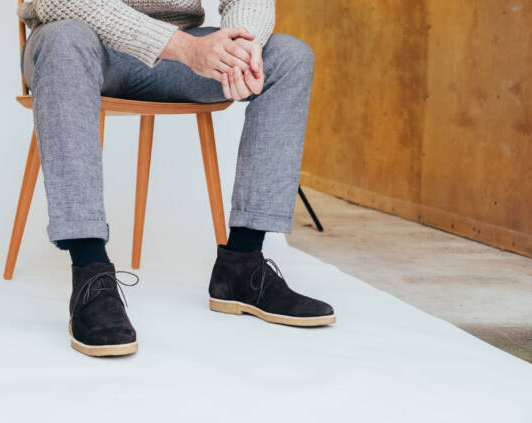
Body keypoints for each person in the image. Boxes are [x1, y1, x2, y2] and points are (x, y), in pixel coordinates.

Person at [17, 0, 335, 357]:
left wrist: (241, 47)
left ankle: (243, 267)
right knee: (64, 39)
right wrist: (184, 47)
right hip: (86, 48)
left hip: (176, 57)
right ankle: (90, 272)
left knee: (288, 55)